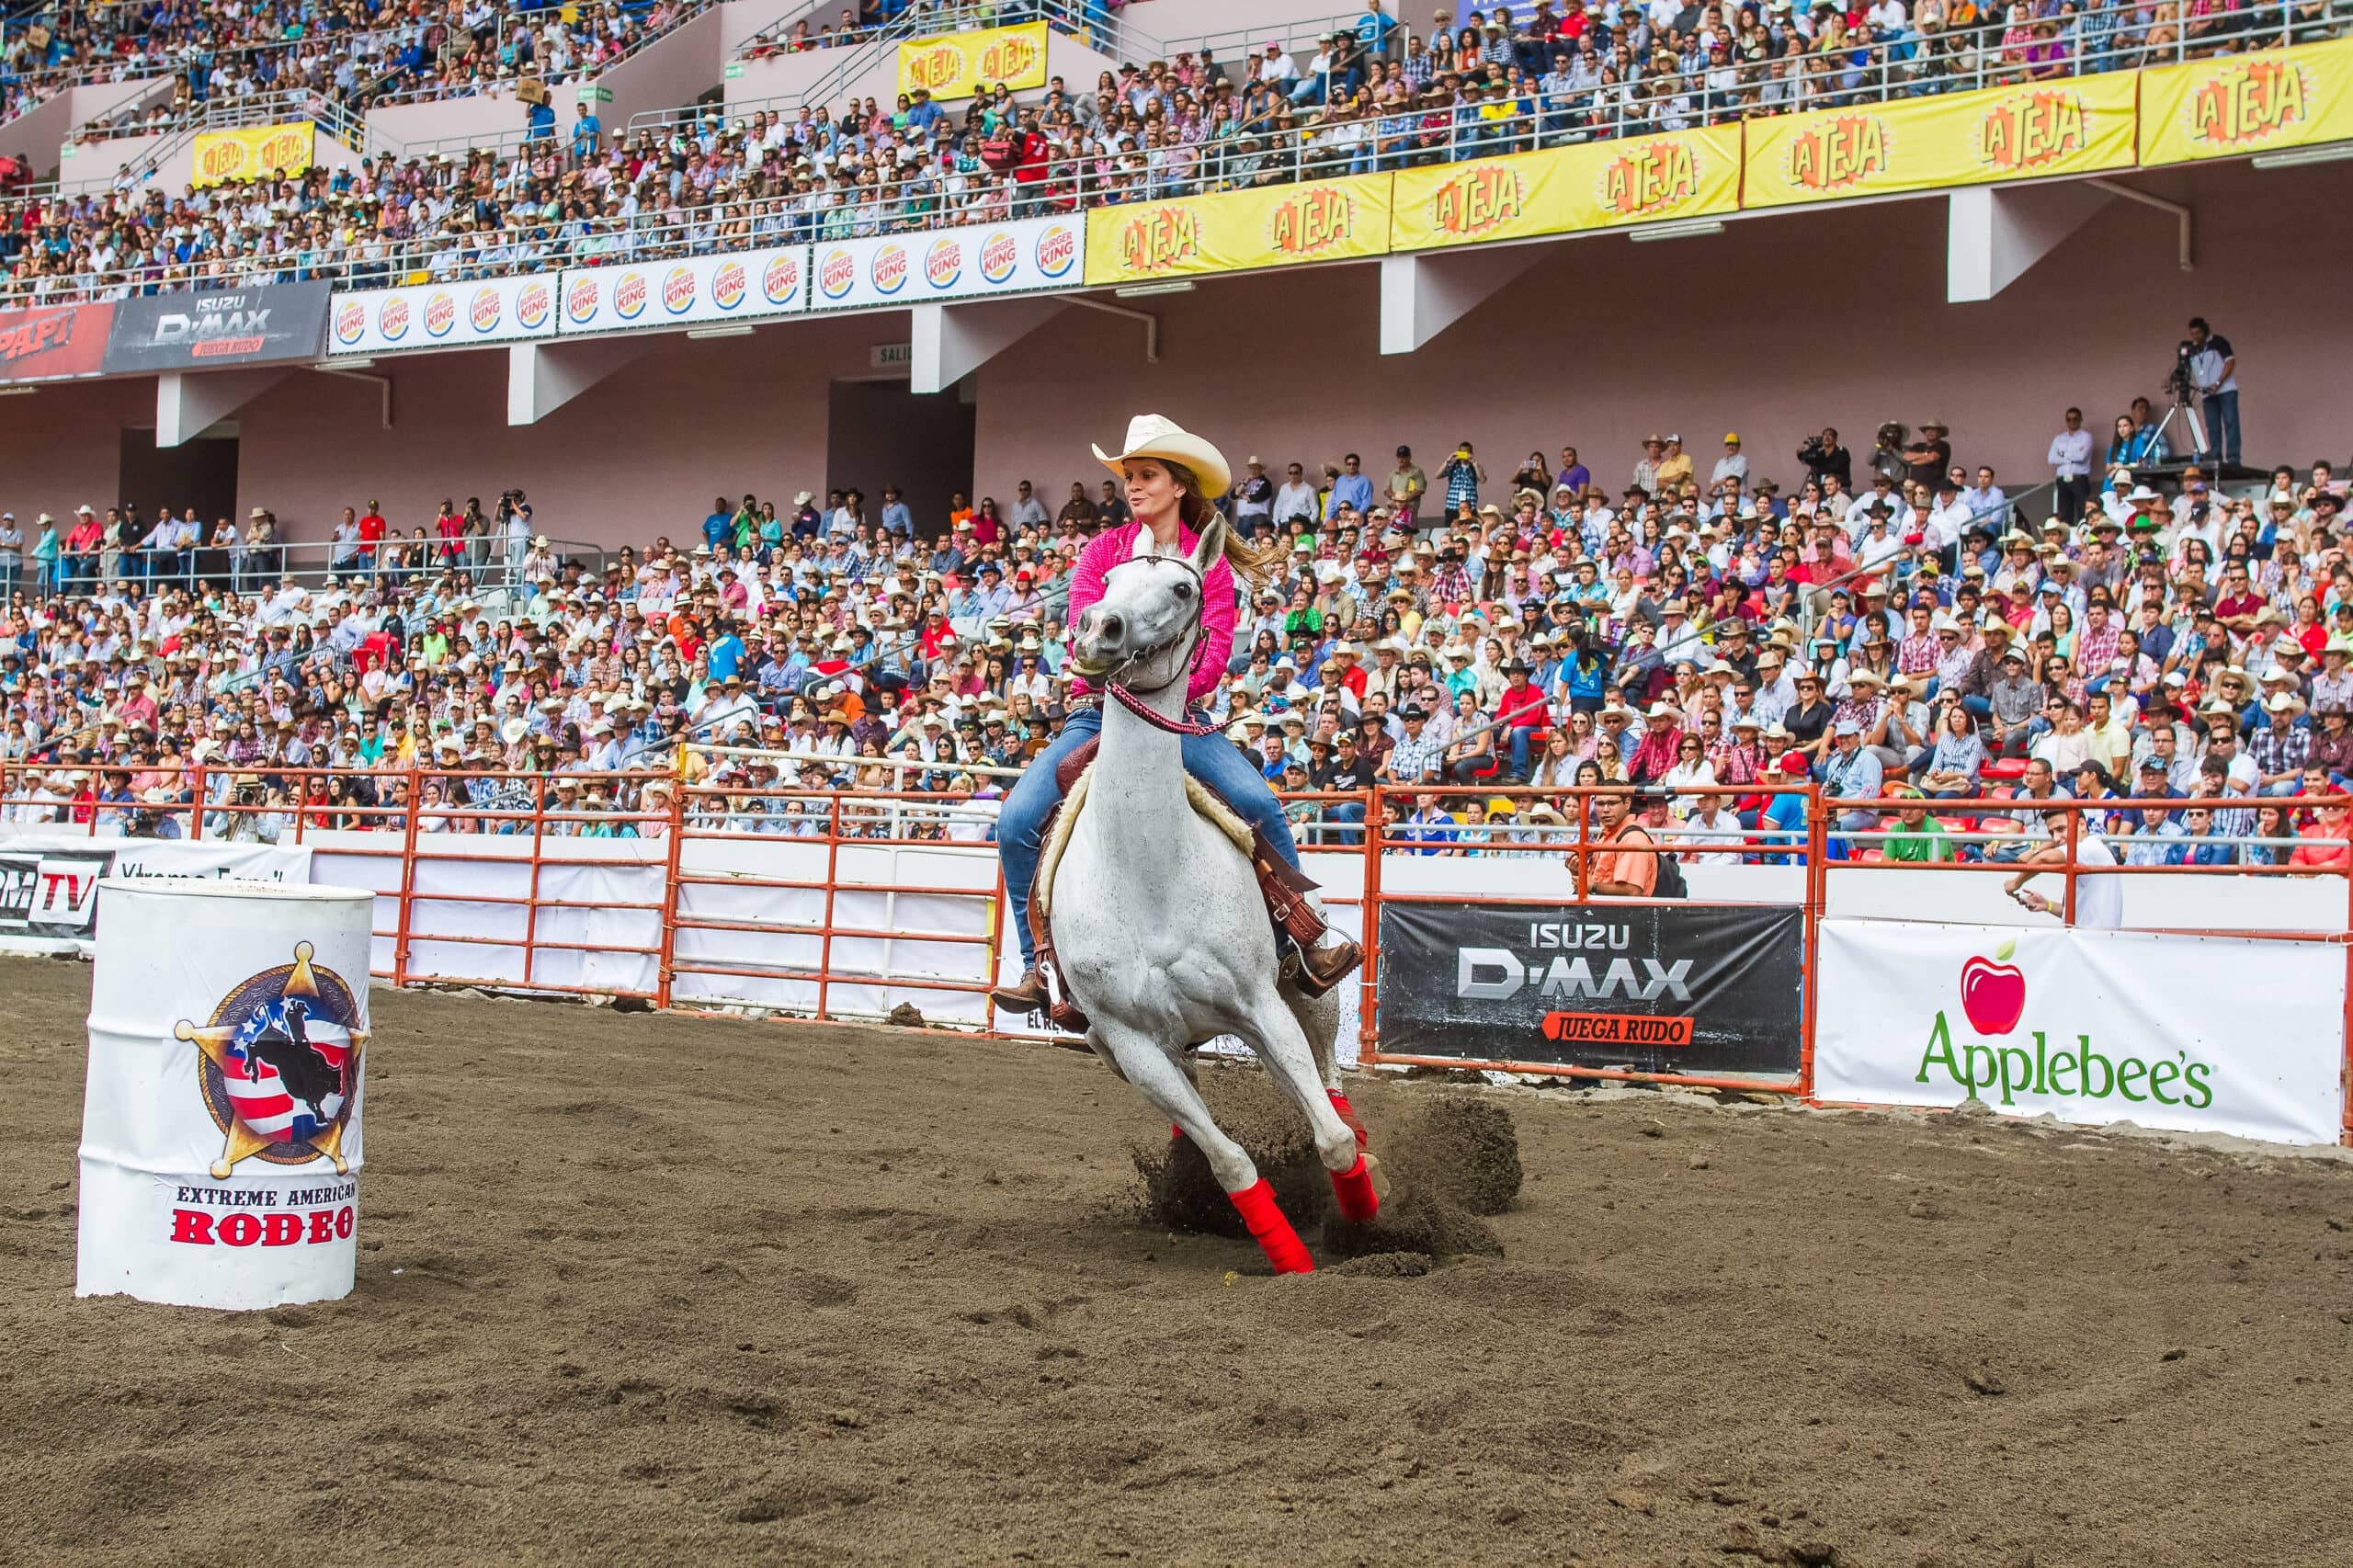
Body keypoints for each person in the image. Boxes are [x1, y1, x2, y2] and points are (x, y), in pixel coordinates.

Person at [989, 415, 1362, 1015]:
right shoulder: (1103, 552)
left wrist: (1151, 680)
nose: (1133, 486)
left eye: (1147, 475)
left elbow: (1212, 659)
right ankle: (1043, 966)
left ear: (1179, 485)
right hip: (1097, 716)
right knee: (1015, 822)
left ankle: (1302, 940)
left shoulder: (1205, 562)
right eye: (1130, 476)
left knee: (1260, 803)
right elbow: (1082, 634)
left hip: (1175, 717)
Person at [1573, 784, 1655, 896]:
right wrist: (1577, 871)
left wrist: (1593, 887)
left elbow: (1633, 891)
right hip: (1604, 905)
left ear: (1627, 803)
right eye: (1600, 804)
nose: (1605, 810)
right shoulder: (1606, 834)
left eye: (1612, 803)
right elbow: (1593, 881)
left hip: (1618, 907)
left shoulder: (1633, 838)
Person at [2184, 317, 2239, 467]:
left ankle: (2233, 459)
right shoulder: (2193, 349)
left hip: (2226, 390)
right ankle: (2216, 457)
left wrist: (2218, 383)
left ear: (2205, 331)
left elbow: (2230, 362)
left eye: (2198, 333)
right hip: (2207, 393)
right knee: (2212, 427)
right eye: (2192, 334)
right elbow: (2183, 368)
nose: (2195, 337)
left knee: (2231, 423)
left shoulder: (2218, 342)